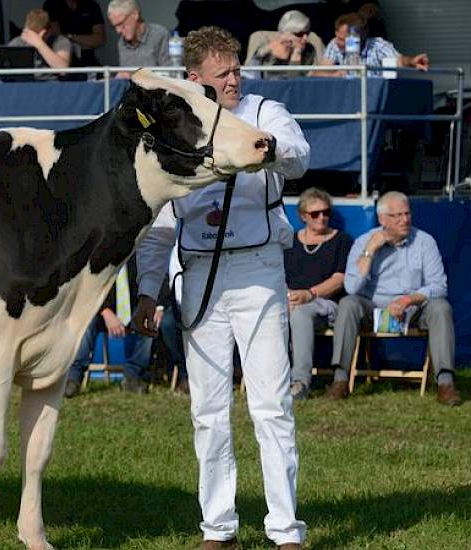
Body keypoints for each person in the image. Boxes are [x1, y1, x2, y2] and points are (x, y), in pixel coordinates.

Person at [133, 26, 309, 550]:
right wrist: (147, 291)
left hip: (257, 269)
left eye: (236, 69)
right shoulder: (174, 132)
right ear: (194, 79)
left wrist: (269, 147)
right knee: (207, 409)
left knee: (271, 403)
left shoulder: (263, 111)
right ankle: (219, 527)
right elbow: (161, 221)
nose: (233, 80)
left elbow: (299, 155)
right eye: (222, 73)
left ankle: (284, 529)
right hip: (198, 272)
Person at [327, 191, 461, 406]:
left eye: (407, 213)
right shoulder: (364, 242)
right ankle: (340, 380)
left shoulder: (425, 242)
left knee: (441, 307)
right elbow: (352, 287)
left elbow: (439, 286)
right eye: (397, 215)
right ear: (382, 219)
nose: (404, 219)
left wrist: (408, 300)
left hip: (412, 310)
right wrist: (370, 250)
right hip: (374, 309)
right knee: (347, 303)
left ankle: (445, 383)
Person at [283, 187, 353, 400]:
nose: (322, 217)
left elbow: (340, 279)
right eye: (315, 214)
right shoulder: (290, 242)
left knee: (301, 312)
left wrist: (309, 294)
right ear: (303, 216)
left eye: (326, 212)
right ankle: (269, 380)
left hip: (325, 303)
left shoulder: (342, 241)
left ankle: (300, 382)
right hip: (291, 299)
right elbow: (278, 274)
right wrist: (288, 296)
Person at [65, 258, 150, 398]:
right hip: (101, 311)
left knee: (150, 321)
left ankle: (132, 376)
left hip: (134, 311)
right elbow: (88, 288)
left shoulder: (141, 255)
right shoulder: (100, 254)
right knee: (86, 320)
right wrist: (105, 311)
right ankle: (73, 378)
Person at [320, 12, 429, 74]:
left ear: (357, 38)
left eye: (342, 40)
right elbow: (320, 72)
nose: (337, 42)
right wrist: (334, 75)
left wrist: (411, 61)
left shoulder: (378, 46)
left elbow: (399, 61)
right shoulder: (334, 44)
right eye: (337, 36)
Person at [106, 0, 171, 78]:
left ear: (135, 15)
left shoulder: (160, 35)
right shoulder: (122, 42)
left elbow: (170, 74)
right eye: (114, 26)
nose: (118, 31)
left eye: (121, 24)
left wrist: (133, 76)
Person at [246, 10, 319, 79]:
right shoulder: (265, 44)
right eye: (300, 34)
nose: (305, 38)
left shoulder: (309, 50)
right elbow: (251, 74)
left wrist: (296, 53)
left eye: (307, 33)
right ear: (286, 34)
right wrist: (268, 51)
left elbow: (294, 81)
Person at [7, 9, 72, 79]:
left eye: (35, 35)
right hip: (24, 84)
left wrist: (39, 44)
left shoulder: (60, 41)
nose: (31, 38)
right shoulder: (18, 41)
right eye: (30, 34)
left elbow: (63, 69)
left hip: (50, 84)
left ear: (49, 31)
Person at [42, 0, 106, 68]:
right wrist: (84, 41)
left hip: (86, 57)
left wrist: (70, 36)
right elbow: (55, 34)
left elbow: (100, 39)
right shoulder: (52, 4)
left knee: (104, 75)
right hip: (61, 56)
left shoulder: (91, 4)